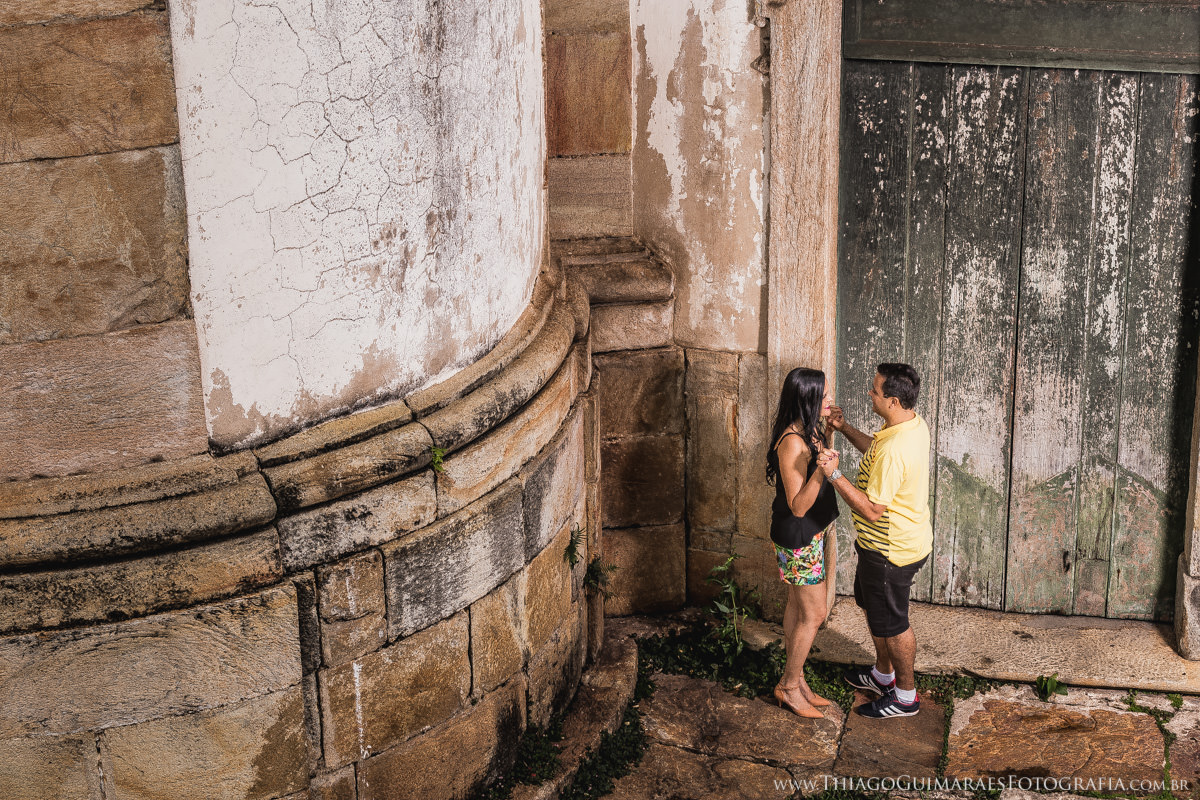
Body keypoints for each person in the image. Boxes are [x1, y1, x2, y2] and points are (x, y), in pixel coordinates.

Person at [816, 362, 931, 718]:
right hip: (882, 547)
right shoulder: (909, 424)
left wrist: (834, 474)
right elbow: (876, 451)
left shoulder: (897, 448)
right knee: (873, 608)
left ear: (893, 401)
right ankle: (883, 676)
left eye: (876, 390)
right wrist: (844, 428)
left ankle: (905, 697)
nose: (870, 393)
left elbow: (871, 510)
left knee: (894, 624)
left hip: (890, 552)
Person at [766, 367, 840, 719]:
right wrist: (823, 472)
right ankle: (788, 687)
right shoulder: (792, 442)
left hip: (810, 534)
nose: (830, 400)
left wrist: (829, 434)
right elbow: (797, 506)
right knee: (815, 614)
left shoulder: (809, 430)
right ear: (806, 398)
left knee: (798, 608)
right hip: (798, 538)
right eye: (823, 396)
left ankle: (797, 678)